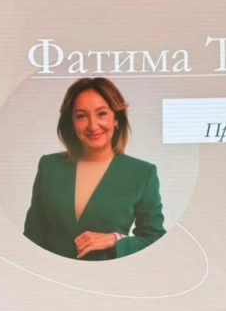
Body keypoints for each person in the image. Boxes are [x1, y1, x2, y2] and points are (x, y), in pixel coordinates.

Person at [23, 76, 166, 261]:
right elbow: (32, 237)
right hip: (51, 275)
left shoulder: (142, 173)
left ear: (116, 119)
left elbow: (155, 239)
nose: (92, 125)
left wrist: (116, 240)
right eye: (81, 116)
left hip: (108, 276)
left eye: (102, 114)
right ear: (72, 123)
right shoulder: (49, 166)